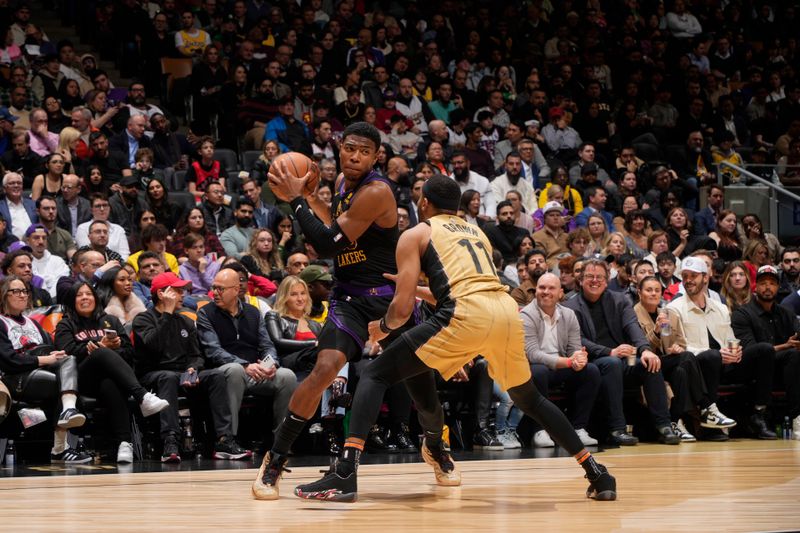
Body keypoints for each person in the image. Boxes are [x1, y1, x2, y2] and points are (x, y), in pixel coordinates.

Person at [283, 175, 616, 502]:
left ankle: (345, 472)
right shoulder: (478, 232)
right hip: (503, 310)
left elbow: (401, 310)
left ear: (423, 202)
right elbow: (461, 286)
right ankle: (597, 472)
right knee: (530, 399)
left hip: (464, 314)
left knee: (374, 373)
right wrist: (418, 291)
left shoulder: (416, 232)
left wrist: (382, 327)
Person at [251, 122, 433, 499]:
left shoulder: (377, 191)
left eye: (364, 151)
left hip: (387, 297)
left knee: (421, 382)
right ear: (339, 149)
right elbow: (337, 222)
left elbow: (328, 244)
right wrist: (314, 198)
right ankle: (276, 459)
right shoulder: (342, 186)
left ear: (376, 156)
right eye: (349, 148)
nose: (355, 156)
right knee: (322, 370)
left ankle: (438, 448)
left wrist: (297, 199)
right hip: (349, 299)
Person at [132, 272, 251, 463]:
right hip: (153, 374)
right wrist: (168, 315)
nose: (182, 296)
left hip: (182, 373)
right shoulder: (142, 319)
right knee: (168, 377)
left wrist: (193, 368)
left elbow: (196, 355)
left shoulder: (186, 322)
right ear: (162, 294)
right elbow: (153, 345)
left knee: (215, 375)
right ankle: (170, 441)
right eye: (178, 291)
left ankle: (223, 440)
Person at [564, 258, 680, 445]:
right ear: (580, 280)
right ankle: (617, 428)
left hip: (624, 360)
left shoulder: (620, 300)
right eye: (590, 276)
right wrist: (609, 352)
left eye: (599, 277)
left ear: (607, 279)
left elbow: (632, 326)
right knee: (612, 363)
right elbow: (577, 340)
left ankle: (664, 426)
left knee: (650, 362)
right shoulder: (570, 306)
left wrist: (645, 350)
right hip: (593, 362)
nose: (595, 281)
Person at [54, 281, 170, 463]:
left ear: (96, 298)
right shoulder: (66, 324)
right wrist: (99, 348)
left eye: (89, 294)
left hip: (110, 378)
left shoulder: (110, 320)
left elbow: (130, 353)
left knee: (110, 382)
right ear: (72, 300)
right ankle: (142, 396)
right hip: (81, 380)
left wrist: (114, 348)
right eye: (79, 295)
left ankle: (124, 443)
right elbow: (66, 354)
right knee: (101, 352)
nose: (85, 297)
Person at [667, 257, 772, 440]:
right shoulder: (674, 308)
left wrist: (735, 352)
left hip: (725, 364)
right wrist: (715, 353)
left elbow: (730, 338)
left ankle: (758, 413)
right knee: (712, 356)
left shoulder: (721, 307)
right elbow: (677, 348)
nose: (688, 280)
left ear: (705, 278)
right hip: (699, 366)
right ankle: (710, 423)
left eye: (694, 276)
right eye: (685, 276)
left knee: (765, 350)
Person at [196, 268, 297, 443]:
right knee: (235, 370)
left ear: (236, 290)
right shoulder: (205, 313)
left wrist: (271, 364)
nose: (215, 293)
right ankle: (228, 440)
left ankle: (282, 440)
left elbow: (267, 345)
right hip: (226, 370)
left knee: (287, 376)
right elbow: (213, 351)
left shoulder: (253, 312)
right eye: (214, 288)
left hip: (256, 371)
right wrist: (245, 365)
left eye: (221, 289)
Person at [0, 276, 91, 464]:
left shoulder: (33, 322)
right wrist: (44, 359)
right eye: (16, 291)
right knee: (64, 385)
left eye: (25, 291)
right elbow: (9, 361)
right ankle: (59, 448)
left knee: (68, 360)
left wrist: (55, 354)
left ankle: (68, 411)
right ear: (3, 295)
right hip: (14, 378)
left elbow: (49, 348)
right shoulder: (1, 322)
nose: (22, 295)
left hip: (40, 370)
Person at [635, 276, 736, 442]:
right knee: (687, 359)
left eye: (657, 290)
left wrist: (677, 347)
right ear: (639, 292)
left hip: (667, 361)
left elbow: (679, 342)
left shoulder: (665, 313)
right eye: (648, 290)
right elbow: (641, 348)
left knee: (682, 369)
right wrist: (656, 331)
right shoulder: (634, 314)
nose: (653, 294)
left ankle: (675, 422)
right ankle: (706, 406)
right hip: (646, 363)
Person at [522, 273, 601, 447]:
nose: (546, 292)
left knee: (591, 371)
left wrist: (579, 359)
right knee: (538, 371)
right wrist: (568, 361)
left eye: (551, 288)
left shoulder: (569, 314)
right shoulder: (527, 315)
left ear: (560, 293)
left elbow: (574, 349)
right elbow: (532, 354)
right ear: (536, 291)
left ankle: (578, 428)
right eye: (542, 287)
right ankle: (540, 430)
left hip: (561, 366)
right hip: (534, 367)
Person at [732, 265, 800, 440]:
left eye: (772, 283)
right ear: (755, 287)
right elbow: (750, 349)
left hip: (781, 368)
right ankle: (758, 413)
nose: (767, 287)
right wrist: (786, 345)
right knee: (765, 350)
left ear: (778, 287)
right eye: (763, 283)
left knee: (794, 355)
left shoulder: (787, 313)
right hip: (749, 367)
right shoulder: (742, 313)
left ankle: (797, 417)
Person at [27, 223, 69, 299]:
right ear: (28, 241)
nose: (41, 242)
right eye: (36, 238)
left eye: (44, 238)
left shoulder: (58, 261)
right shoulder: (25, 263)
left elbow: (62, 283)